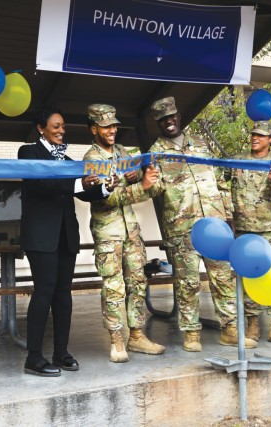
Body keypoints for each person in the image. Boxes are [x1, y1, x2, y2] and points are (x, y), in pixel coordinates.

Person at [148, 96, 257, 352]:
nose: (169, 122)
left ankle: (230, 330)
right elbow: (153, 190)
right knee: (187, 282)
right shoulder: (156, 152)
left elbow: (219, 180)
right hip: (182, 227)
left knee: (223, 277)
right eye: (163, 120)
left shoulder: (201, 143)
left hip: (214, 223)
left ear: (179, 116)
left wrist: (228, 214)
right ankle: (191, 333)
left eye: (172, 117)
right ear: (158, 124)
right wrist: (148, 181)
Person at [18, 105, 106, 377]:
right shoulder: (28, 152)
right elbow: (42, 184)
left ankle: (61, 352)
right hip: (40, 236)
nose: (61, 131)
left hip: (66, 235)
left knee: (63, 294)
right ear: (41, 128)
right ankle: (33, 357)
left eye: (63, 127)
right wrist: (80, 184)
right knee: (44, 292)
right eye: (55, 126)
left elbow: (82, 192)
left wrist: (104, 187)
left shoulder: (67, 160)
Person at [83, 104, 165, 363]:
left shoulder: (122, 152)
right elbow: (106, 198)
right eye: (106, 126)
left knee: (138, 283)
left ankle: (137, 336)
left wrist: (140, 176)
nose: (112, 130)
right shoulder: (92, 159)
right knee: (114, 288)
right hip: (109, 233)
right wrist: (139, 185)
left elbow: (145, 184)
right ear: (94, 128)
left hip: (131, 231)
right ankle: (117, 340)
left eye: (114, 125)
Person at [223, 121, 271, 342]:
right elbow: (220, 183)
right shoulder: (236, 160)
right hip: (244, 229)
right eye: (253, 134)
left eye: (261, 135)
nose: (255, 138)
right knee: (247, 276)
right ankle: (252, 323)